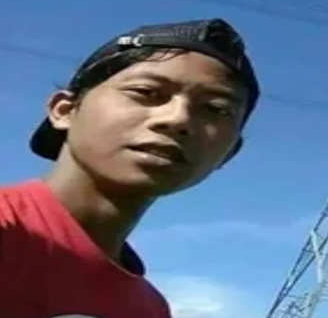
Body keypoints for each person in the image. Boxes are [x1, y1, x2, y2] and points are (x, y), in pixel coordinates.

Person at [0, 18, 260, 318]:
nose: (178, 119)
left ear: (229, 153)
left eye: (216, 109)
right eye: (146, 92)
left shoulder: (151, 308)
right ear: (65, 110)